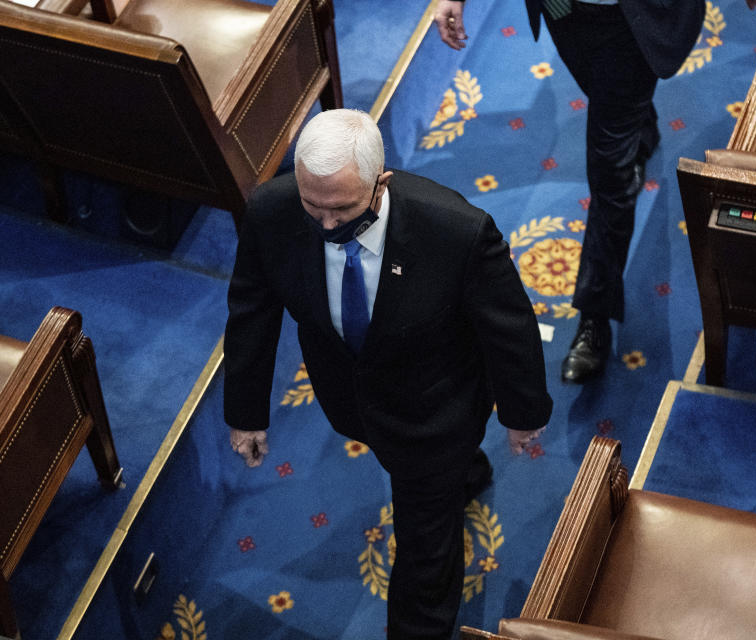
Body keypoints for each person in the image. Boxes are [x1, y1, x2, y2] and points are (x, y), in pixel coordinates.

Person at [223, 109, 552, 640]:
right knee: (435, 475)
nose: (326, 227)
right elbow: (251, 312)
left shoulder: (457, 231)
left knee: (426, 550)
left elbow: (508, 328)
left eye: (342, 210)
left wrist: (522, 413)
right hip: (351, 402)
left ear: (381, 185)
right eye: (314, 207)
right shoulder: (270, 212)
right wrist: (245, 412)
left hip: (437, 410)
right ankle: (468, 473)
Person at [434, 0, 756, 384]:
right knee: (608, 98)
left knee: (610, 174)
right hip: (561, 9)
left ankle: (595, 316)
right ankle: (637, 125)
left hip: (629, 22)